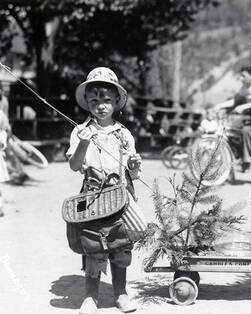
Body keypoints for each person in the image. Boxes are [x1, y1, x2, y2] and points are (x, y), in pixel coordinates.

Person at [66, 67, 147, 314]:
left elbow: (133, 174)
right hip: (92, 198)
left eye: (106, 100)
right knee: (93, 245)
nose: (101, 106)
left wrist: (134, 166)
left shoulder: (124, 134)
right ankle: (91, 296)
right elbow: (74, 165)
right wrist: (83, 143)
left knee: (120, 245)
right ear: (87, 103)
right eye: (94, 100)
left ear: (116, 103)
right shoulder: (81, 131)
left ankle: (120, 294)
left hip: (120, 196)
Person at [215, 66, 251, 172]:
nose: (241, 78)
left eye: (243, 75)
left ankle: (247, 160)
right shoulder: (243, 88)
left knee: (246, 131)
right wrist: (220, 105)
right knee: (228, 129)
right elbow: (234, 101)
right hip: (248, 117)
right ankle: (240, 154)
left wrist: (243, 107)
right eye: (241, 75)